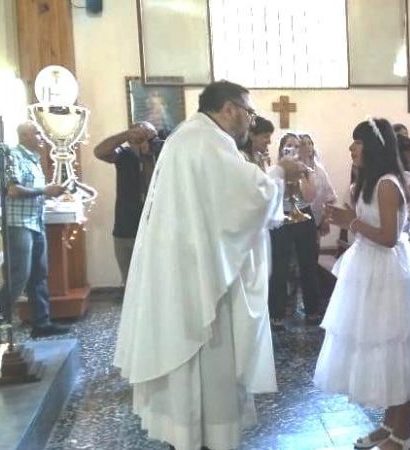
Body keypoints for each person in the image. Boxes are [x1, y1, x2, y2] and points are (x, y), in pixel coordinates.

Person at [113, 81, 306, 450]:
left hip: (183, 268)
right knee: (205, 362)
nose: (251, 121)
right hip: (198, 276)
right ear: (230, 108)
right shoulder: (209, 142)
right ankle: (203, 438)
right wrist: (280, 172)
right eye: (249, 112)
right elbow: (248, 197)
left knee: (190, 371)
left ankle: (188, 434)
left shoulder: (189, 137)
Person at [314, 117, 410, 450]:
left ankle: (402, 434)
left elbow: (389, 237)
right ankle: (388, 426)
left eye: (355, 143)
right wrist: (347, 217)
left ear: (372, 147)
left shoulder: (388, 183)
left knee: (395, 349)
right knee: (379, 348)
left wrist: (352, 221)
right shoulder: (370, 182)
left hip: (388, 272)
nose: (350, 149)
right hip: (369, 269)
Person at [0, 122, 70, 339]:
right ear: (24, 135)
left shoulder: (34, 158)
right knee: (19, 277)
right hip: (18, 224)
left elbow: (33, 191)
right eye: (37, 133)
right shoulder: (13, 156)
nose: (42, 137)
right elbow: (13, 190)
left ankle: (41, 323)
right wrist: (45, 190)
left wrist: (51, 193)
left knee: (39, 275)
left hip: (35, 222)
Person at [93, 122, 162, 286]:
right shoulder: (123, 156)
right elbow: (99, 152)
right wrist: (125, 135)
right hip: (126, 230)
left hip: (156, 232)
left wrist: (149, 154)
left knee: (157, 284)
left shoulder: (162, 156)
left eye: (148, 137)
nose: (143, 142)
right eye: (138, 138)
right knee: (130, 284)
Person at [268, 132, 323, 327]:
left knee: (308, 265)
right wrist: (283, 174)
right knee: (279, 267)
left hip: (303, 217)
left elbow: (310, 197)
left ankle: (312, 310)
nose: (292, 149)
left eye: (296, 146)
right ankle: (276, 313)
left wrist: (300, 175)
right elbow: (269, 196)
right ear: (282, 148)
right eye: (288, 145)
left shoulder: (307, 170)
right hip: (281, 218)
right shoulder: (274, 170)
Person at [299, 133, 337, 237]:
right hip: (295, 222)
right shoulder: (291, 169)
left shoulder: (320, 171)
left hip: (315, 221)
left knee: (313, 252)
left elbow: (330, 198)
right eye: (303, 144)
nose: (308, 146)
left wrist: (326, 219)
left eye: (310, 143)